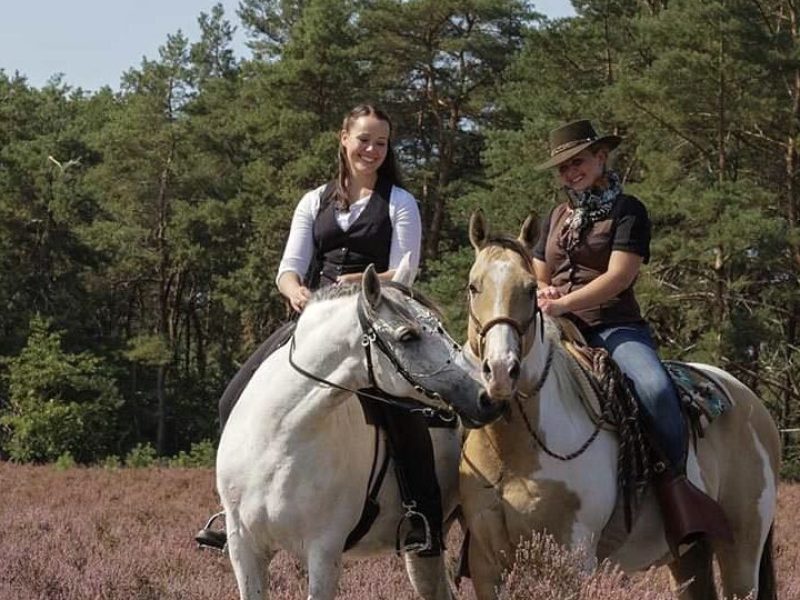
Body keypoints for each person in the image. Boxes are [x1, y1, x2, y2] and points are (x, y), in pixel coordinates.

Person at [196, 104, 445, 557]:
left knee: (402, 409)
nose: (372, 149)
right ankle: (229, 510)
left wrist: (360, 282)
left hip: (378, 321)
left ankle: (419, 515)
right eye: (364, 139)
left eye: (381, 143)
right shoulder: (314, 200)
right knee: (232, 396)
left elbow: (405, 273)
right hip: (314, 322)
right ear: (343, 138)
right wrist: (294, 292)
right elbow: (288, 269)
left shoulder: (400, 202)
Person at [531, 119, 731, 554]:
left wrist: (566, 302)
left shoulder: (629, 210)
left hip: (612, 326)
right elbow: (539, 265)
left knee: (655, 389)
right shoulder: (556, 216)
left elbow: (620, 276)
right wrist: (545, 288)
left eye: (577, 162)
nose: (570, 173)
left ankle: (678, 489)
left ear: (601, 157)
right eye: (562, 168)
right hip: (556, 327)